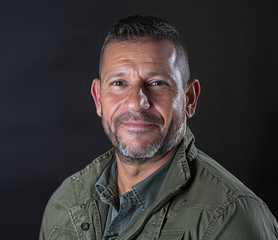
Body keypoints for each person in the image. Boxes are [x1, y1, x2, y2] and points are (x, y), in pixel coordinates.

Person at [39, 15, 278, 239]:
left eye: (157, 83)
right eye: (119, 83)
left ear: (190, 99)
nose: (136, 102)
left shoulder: (231, 216)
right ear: (98, 98)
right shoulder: (65, 203)